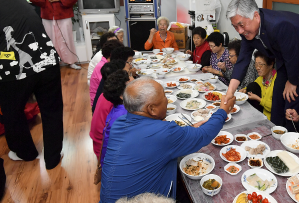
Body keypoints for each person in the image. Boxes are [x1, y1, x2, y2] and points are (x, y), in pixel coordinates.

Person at [99, 76, 235, 202]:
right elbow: (204, 135)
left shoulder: (119, 122)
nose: (167, 100)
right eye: (164, 96)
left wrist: (187, 130)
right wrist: (224, 109)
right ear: (151, 109)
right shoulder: (163, 133)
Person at [224, 0, 299, 130]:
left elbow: (292, 55)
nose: (240, 31)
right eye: (235, 26)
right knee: (278, 94)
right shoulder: (247, 29)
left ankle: (291, 138)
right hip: (288, 53)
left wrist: (293, 81)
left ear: (256, 16)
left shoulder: (278, 25)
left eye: (241, 25)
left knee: (291, 98)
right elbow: (243, 60)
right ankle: (275, 132)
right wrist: (230, 92)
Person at [0, 0, 63, 170]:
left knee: (13, 112)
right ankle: (53, 158)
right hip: (47, 58)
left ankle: (25, 153)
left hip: (13, 67)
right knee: (52, 110)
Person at [28, 0, 81, 70]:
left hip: (64, 15)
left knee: (67, 37)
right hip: (47, 15)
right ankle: (53, 62)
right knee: (50, 38)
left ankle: (70, 61)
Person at [90, 63, 133, 158]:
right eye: (130, 76)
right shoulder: (122, 114)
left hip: (99, 141)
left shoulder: (107, 95)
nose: (133, 79)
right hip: (104, 148)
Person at [99, 70, 130, 166]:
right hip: (119, 166)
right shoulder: (125, 116)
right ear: (121, 96)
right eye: (130, 85)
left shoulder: (118, 109)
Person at [240, 51, 276, 119]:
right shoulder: (261, 78)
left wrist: (258, 99)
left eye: (260, 64)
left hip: (271, 119)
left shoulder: (277, 82)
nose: (257, 68)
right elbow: (250, 87)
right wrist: (244, 90)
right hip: (260, 114)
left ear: (271, 65)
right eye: (256, 64)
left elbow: (275, 107)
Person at [90, 40, 124, 106]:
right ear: (111, 55)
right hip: (99, 103)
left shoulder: (105, 62)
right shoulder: (103, 67)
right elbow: (113, 86)